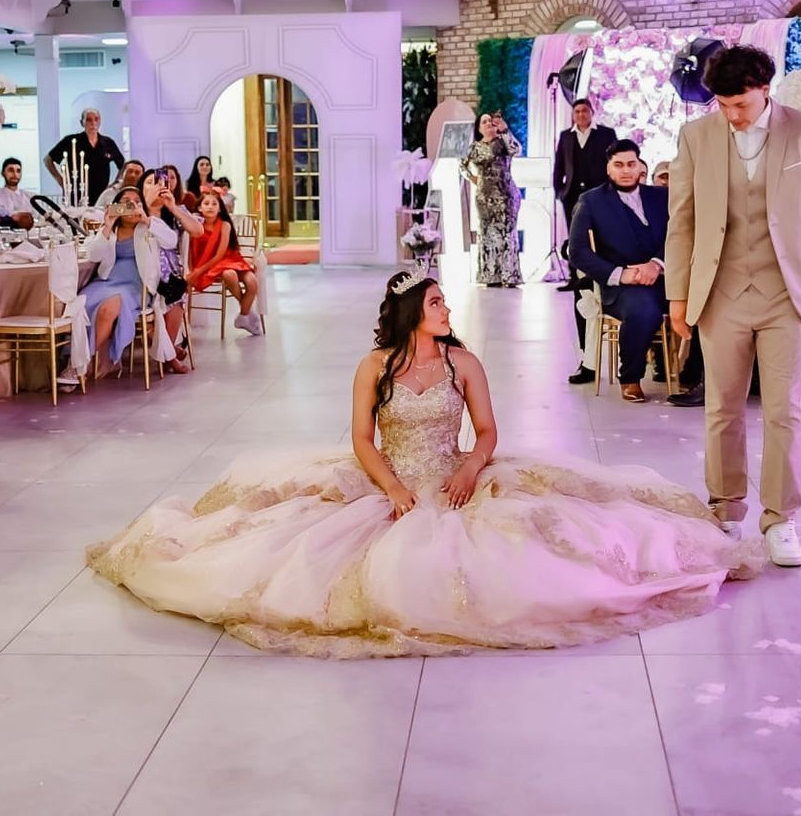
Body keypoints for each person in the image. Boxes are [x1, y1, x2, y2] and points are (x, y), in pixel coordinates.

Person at [85, 271, 763, 656]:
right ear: (413, 310)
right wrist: (390, 487)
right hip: (390, 476)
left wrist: (468, 470)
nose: (446, 309)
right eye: (436, 302)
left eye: (444, 302)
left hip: (451, 468)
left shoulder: (463, 361)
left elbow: (488, 431)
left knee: (544, 541)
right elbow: (362, 438)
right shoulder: (374, 365)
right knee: (290, 552)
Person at [666, 45, 801, 566]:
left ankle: (780, 518)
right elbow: (682, 221)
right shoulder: (696, 137)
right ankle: (725, 507)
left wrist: (795, 261)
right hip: (721, 292)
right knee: (722, 407)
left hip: (785, 292)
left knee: (784, 410)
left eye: (740, 104)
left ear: (765, 89)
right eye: (722, 105)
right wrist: (679, 296)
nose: (731, 115)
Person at [571, 140, 669, 403]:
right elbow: (578, 251)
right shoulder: (591, 201)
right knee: (644, 310)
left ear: (640, 167)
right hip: (622, 288)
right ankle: (631, 377)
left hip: (665, 279)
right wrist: (619, 274)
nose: (625, 170)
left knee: (711, 304)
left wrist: (656, 264)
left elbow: (680, 235)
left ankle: (696, 376)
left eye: (631, 164)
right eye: (618, 165)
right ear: (609, 168)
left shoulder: (662, 197)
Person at [555, 98, 619, 381]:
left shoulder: (605, 134)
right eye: (577, 111)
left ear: (592, 113)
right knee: (575, 240)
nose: (581, 115)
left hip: (599, 195)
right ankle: (576, 275)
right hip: (572, 195)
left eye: (585, 111)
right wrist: (560, 191)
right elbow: (560, 165)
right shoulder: (566, 137)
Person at [77, 185, 169, 380]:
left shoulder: (150, 226)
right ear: (117, 207)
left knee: (108, 309)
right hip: (107, 281)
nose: (132, 206)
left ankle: (81, 362)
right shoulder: (111, 229)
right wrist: (107, 226)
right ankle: (94, 357)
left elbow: (172, 241)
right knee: (80, 303)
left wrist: (147, 220)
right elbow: (93, 255)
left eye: (136, 202)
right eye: (126, 203)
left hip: (137, 285)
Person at [145, 176, 203, 373]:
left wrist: (173, 207)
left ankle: (167, 351)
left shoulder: (174, 211)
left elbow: (198, 230)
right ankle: (168, 350)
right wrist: (145, 203)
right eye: (150, 182)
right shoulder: (134, 209)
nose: (157, 186)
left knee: (174, 293)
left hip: (167, 270)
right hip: (139, 268)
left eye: (160, 182)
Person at [187, 192, 263, 336]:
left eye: (214, 204)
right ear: (199, 208)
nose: (210, 207)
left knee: (252, 282)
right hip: (210, 265)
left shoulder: (225, 225)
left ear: (220, 208)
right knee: (230, 275)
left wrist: (198, 271)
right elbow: (190, 251)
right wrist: (193, 270)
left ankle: (244, 314)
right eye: (206, 203)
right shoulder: (195, 226)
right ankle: (247, 313)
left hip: (229, 259)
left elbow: (220, 255)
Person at [464, 112, 523, 287]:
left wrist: (505, 130)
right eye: (484, 121)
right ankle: (491, 276)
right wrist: (473, 178)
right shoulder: (474, 148)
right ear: (479, 128)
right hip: (484, 197)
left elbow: (516, 150)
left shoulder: (503, 142)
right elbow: (461, 165)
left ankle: (509, 275)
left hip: (506, 194)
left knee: (507, 234)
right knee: (487, 235)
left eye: (491, 120)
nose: (489, 123)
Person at [49, 108, 129, 206]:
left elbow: (123, 165)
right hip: (76, 194)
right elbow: (48, 160)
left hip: (101, 194)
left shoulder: (108, 143)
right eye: (88, 120)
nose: (93, 123)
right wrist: (60, 179)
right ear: (82, 122)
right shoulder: (71, 141)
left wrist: (114, 184)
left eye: (96, 119)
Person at [0, 158, 36, 223]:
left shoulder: (30, 197)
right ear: (2, 173)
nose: (15, 174)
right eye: (11, 170)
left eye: (18, 171)